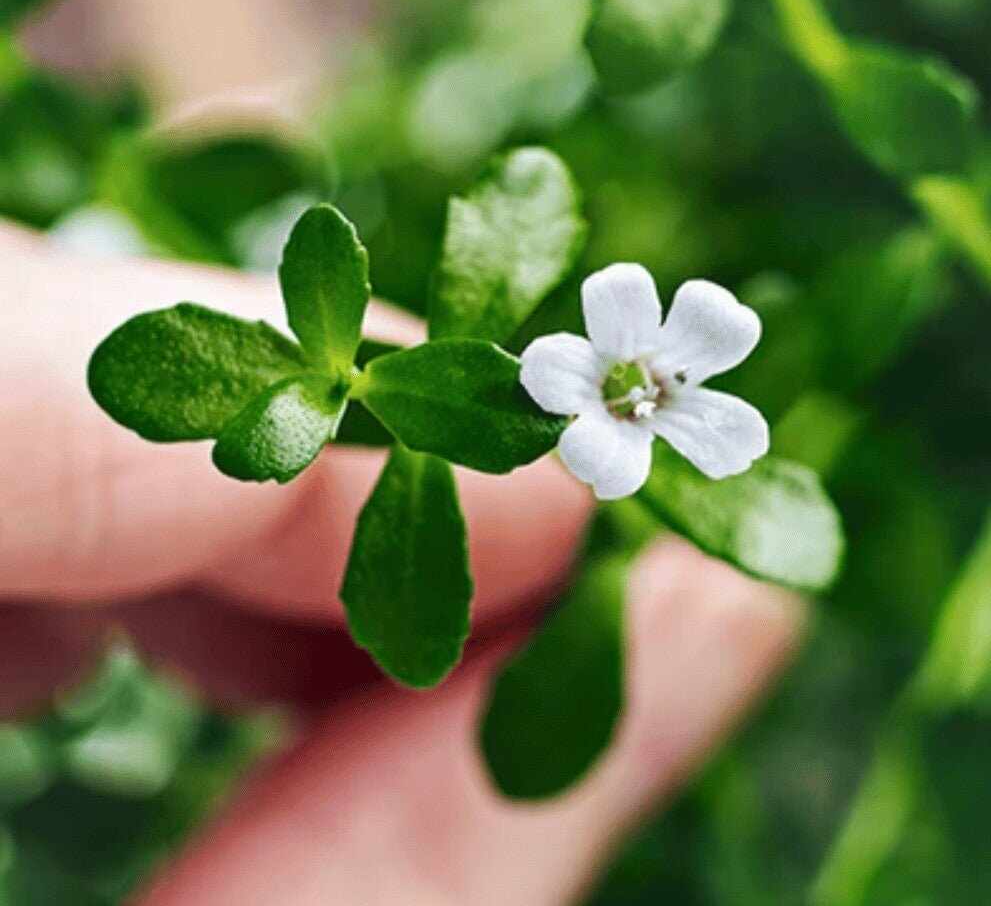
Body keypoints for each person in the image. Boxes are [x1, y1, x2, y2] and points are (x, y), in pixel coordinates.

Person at [1, 226, 801, 904]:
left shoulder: (645, 423)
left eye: (640, 381)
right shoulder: (571, 388)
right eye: (626, 377)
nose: (635, 384)